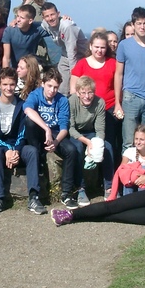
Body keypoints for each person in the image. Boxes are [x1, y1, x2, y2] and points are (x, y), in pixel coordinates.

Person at [0, 67, 45, 215]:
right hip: (0, 145)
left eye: (12, 84)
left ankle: (34, 197)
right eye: (5, 84)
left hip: (18, 145)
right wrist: (7, 150)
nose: (8, 88)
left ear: (16, 84)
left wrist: (15, 150)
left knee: (32, 151)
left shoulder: (21, 104)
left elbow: (23, 133)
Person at [23, 67, 79, 209]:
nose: (52, 90)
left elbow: (64, 127)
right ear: (43, 84)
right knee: (30, 122)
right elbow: (28, 110)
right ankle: (39, 158)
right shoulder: (36, 95)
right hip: (38, 131)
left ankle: (66, 193)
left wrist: (56, 141)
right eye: (49, 86)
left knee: (71, 150)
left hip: (55, 133)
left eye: (55, 87)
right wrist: (46, 129)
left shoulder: (62, 100)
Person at [113, 7, 145, 153]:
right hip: (130, 97)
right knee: (129, 141)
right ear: (133, 25)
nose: (142, 27)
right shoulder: (124, 45)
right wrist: (117, 103)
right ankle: (128, 167)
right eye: (139, 23)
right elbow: (118, 74)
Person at [69, 31, 119, 157]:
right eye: (96, 47)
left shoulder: (112, 63)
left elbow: (119, 86)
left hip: (109, 107)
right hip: (87, 110)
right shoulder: (82, 64)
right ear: (90, 46)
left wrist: (118, 105)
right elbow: (73, 89)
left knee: (109, 143)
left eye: (102, 47)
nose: (99, 50)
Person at [68, 76, 115, 205]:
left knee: (108, 147)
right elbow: (70, 128)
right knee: (78, 148)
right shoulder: (72, 101)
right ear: (78, 93)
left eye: (90, 93)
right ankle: (81, 188)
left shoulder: (100, 103)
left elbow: (100, 129)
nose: (87, 96)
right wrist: (87, 143)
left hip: (91, 132)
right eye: (83, 93)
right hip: (75, 133)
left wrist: (96, 145)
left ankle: (109, 186)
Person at [40, 2, 88, 96]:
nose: (50, 18)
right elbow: (35, 26)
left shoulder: (67, 26)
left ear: (58, 14)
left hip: (81, 55)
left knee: (78, 86)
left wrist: (74, 75)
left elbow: (72, 52)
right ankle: (63, 101)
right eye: (47, 16)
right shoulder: (45, 24)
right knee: (61, 86)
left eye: (52, 14)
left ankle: (75, 99)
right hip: (65, 55)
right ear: (43, 18)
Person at [109, 124, 145, 199]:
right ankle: (128, 201)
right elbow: (121, 171)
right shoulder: (129, 152)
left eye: (142, 139)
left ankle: (141, 200)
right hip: (131, 184)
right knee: (127, 177)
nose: (138, 142)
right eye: (136, 139)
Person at [1, 4, 49, 68]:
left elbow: (54, 27)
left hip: (29, 67)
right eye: (17, 16)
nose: (18, 20)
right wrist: (5, 72)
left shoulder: (37, 29)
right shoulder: (9, 31)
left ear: (30, 21)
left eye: (22, 18)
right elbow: (6, 58)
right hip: (13, 68)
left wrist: (62, 19)